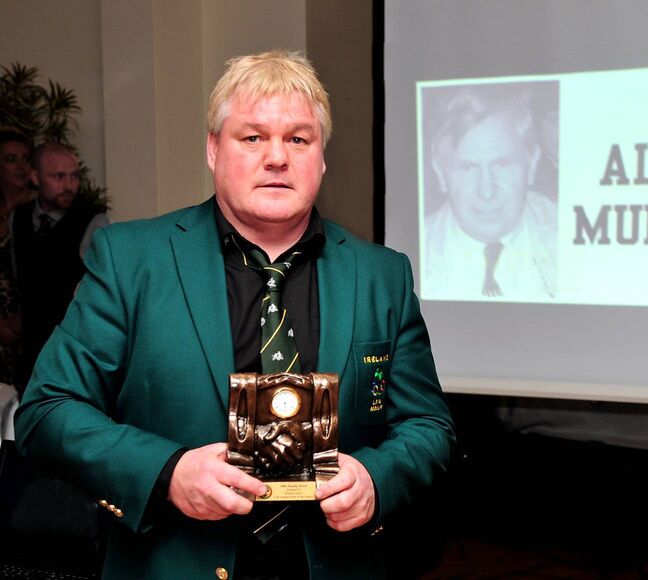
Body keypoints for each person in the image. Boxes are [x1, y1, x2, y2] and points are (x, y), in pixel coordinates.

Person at [15, 51, 454, 579]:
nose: (277, 157)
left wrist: (376, 479)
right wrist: (168, 472)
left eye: (298, 138)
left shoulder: (382, 275)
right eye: (252, 137)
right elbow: (47, 410)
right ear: (212, 148)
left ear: (321, 157)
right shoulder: (132, 261)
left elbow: (428, 425)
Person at [423, 88, 557, 301]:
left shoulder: (566, 237)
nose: (487, 191)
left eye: (502, 164)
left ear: (531, 164)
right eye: (468, 167)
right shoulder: (407, 258)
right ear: (439, 171)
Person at [11, 142, 109, 390]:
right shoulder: (18, 217)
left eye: (74, 176)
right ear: (35, 177)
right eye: (59, 177)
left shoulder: (93, 220)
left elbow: (101, 294)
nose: (69, 186)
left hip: (72, 353)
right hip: (30, 351)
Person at [0, 129, 34, 387]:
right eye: (11, 159)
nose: (21, 167)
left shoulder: (44, 212)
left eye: (26, 158)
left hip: (32, 327)